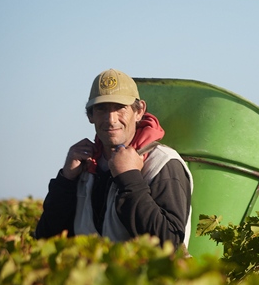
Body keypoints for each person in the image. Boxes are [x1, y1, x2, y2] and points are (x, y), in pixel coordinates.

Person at [35, 68, 193, 249]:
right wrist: (66, 181)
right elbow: (45, 240)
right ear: (90, 116)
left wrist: (130, 179)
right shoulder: (85, 167)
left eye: (120, 108)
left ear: (139, 111)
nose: (111, 119)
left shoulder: (162, 163)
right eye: (101, 109)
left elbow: (170, 244)